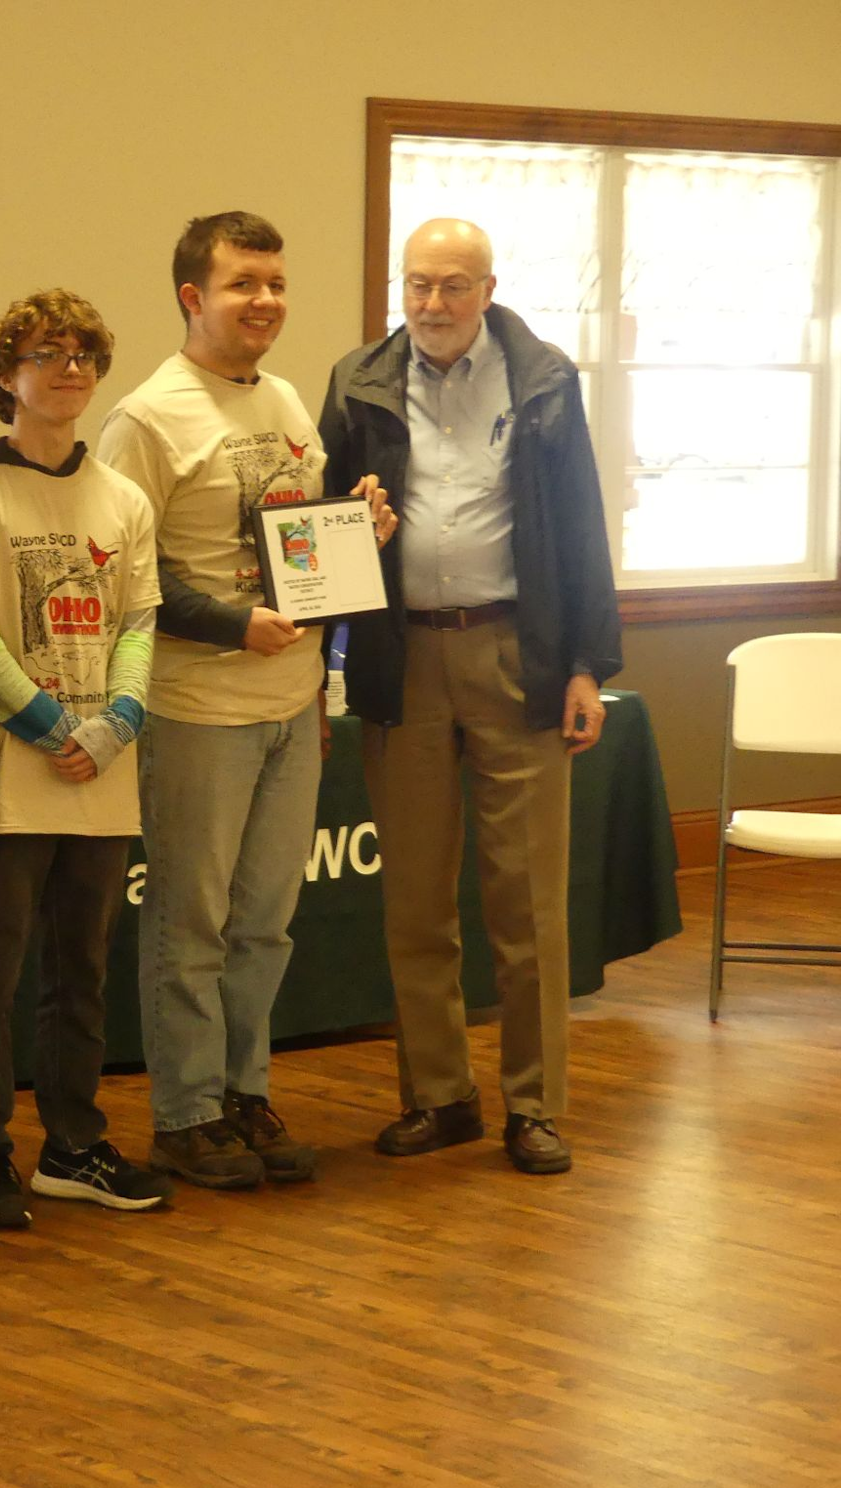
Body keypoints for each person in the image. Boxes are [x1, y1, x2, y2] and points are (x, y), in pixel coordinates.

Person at [97, 211, 395, 1191]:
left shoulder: (283, 402)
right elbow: (124, 577)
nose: (263, 300)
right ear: (192, 296)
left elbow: (296, 553)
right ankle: (182, 1115)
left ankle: (240, 1092)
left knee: (264, 923)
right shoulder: (146, 418)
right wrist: (233, 628)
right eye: (241, 285)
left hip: (290, 705)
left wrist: (362, 535)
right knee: (191, 924)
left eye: (273, 282)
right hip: (195, 712)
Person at [319, 217, 621, 1175]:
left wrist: (587, 664)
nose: (431, 305)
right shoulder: (358, 381)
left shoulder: (542, 381)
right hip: (400, 658)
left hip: (514, 655)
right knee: (414, 902)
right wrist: (347, 536)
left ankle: (534, 1105)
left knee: (527, 903)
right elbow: (317, 527)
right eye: (416, 286)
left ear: (488, 290)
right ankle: (439, 1096)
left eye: (452, 287)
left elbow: (579, 528)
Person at [0, 289, 174, 1228]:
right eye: (46, 353)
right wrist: (46, 723)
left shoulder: (121, 500)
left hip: (104, 775)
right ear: (8, 376)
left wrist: (117, 719)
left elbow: (141, 619)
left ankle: (72, 1146)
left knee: (83, 969)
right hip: (13, 776)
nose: (68, 369)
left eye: (82, 354)